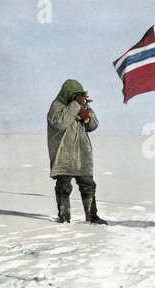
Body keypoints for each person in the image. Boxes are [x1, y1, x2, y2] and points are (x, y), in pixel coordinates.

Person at [47, 79, 107, 225]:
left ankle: (92, 216)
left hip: (82, 154)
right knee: (64, 186)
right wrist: (76, 106)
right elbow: (60, 122)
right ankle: (64, 216)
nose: (79, 98)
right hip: (64, 154)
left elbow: (93, 124)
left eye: (80, 95)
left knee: (88, 185)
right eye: (76, 95)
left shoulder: (82, 106)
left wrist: (86, 118)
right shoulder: (57, 106)